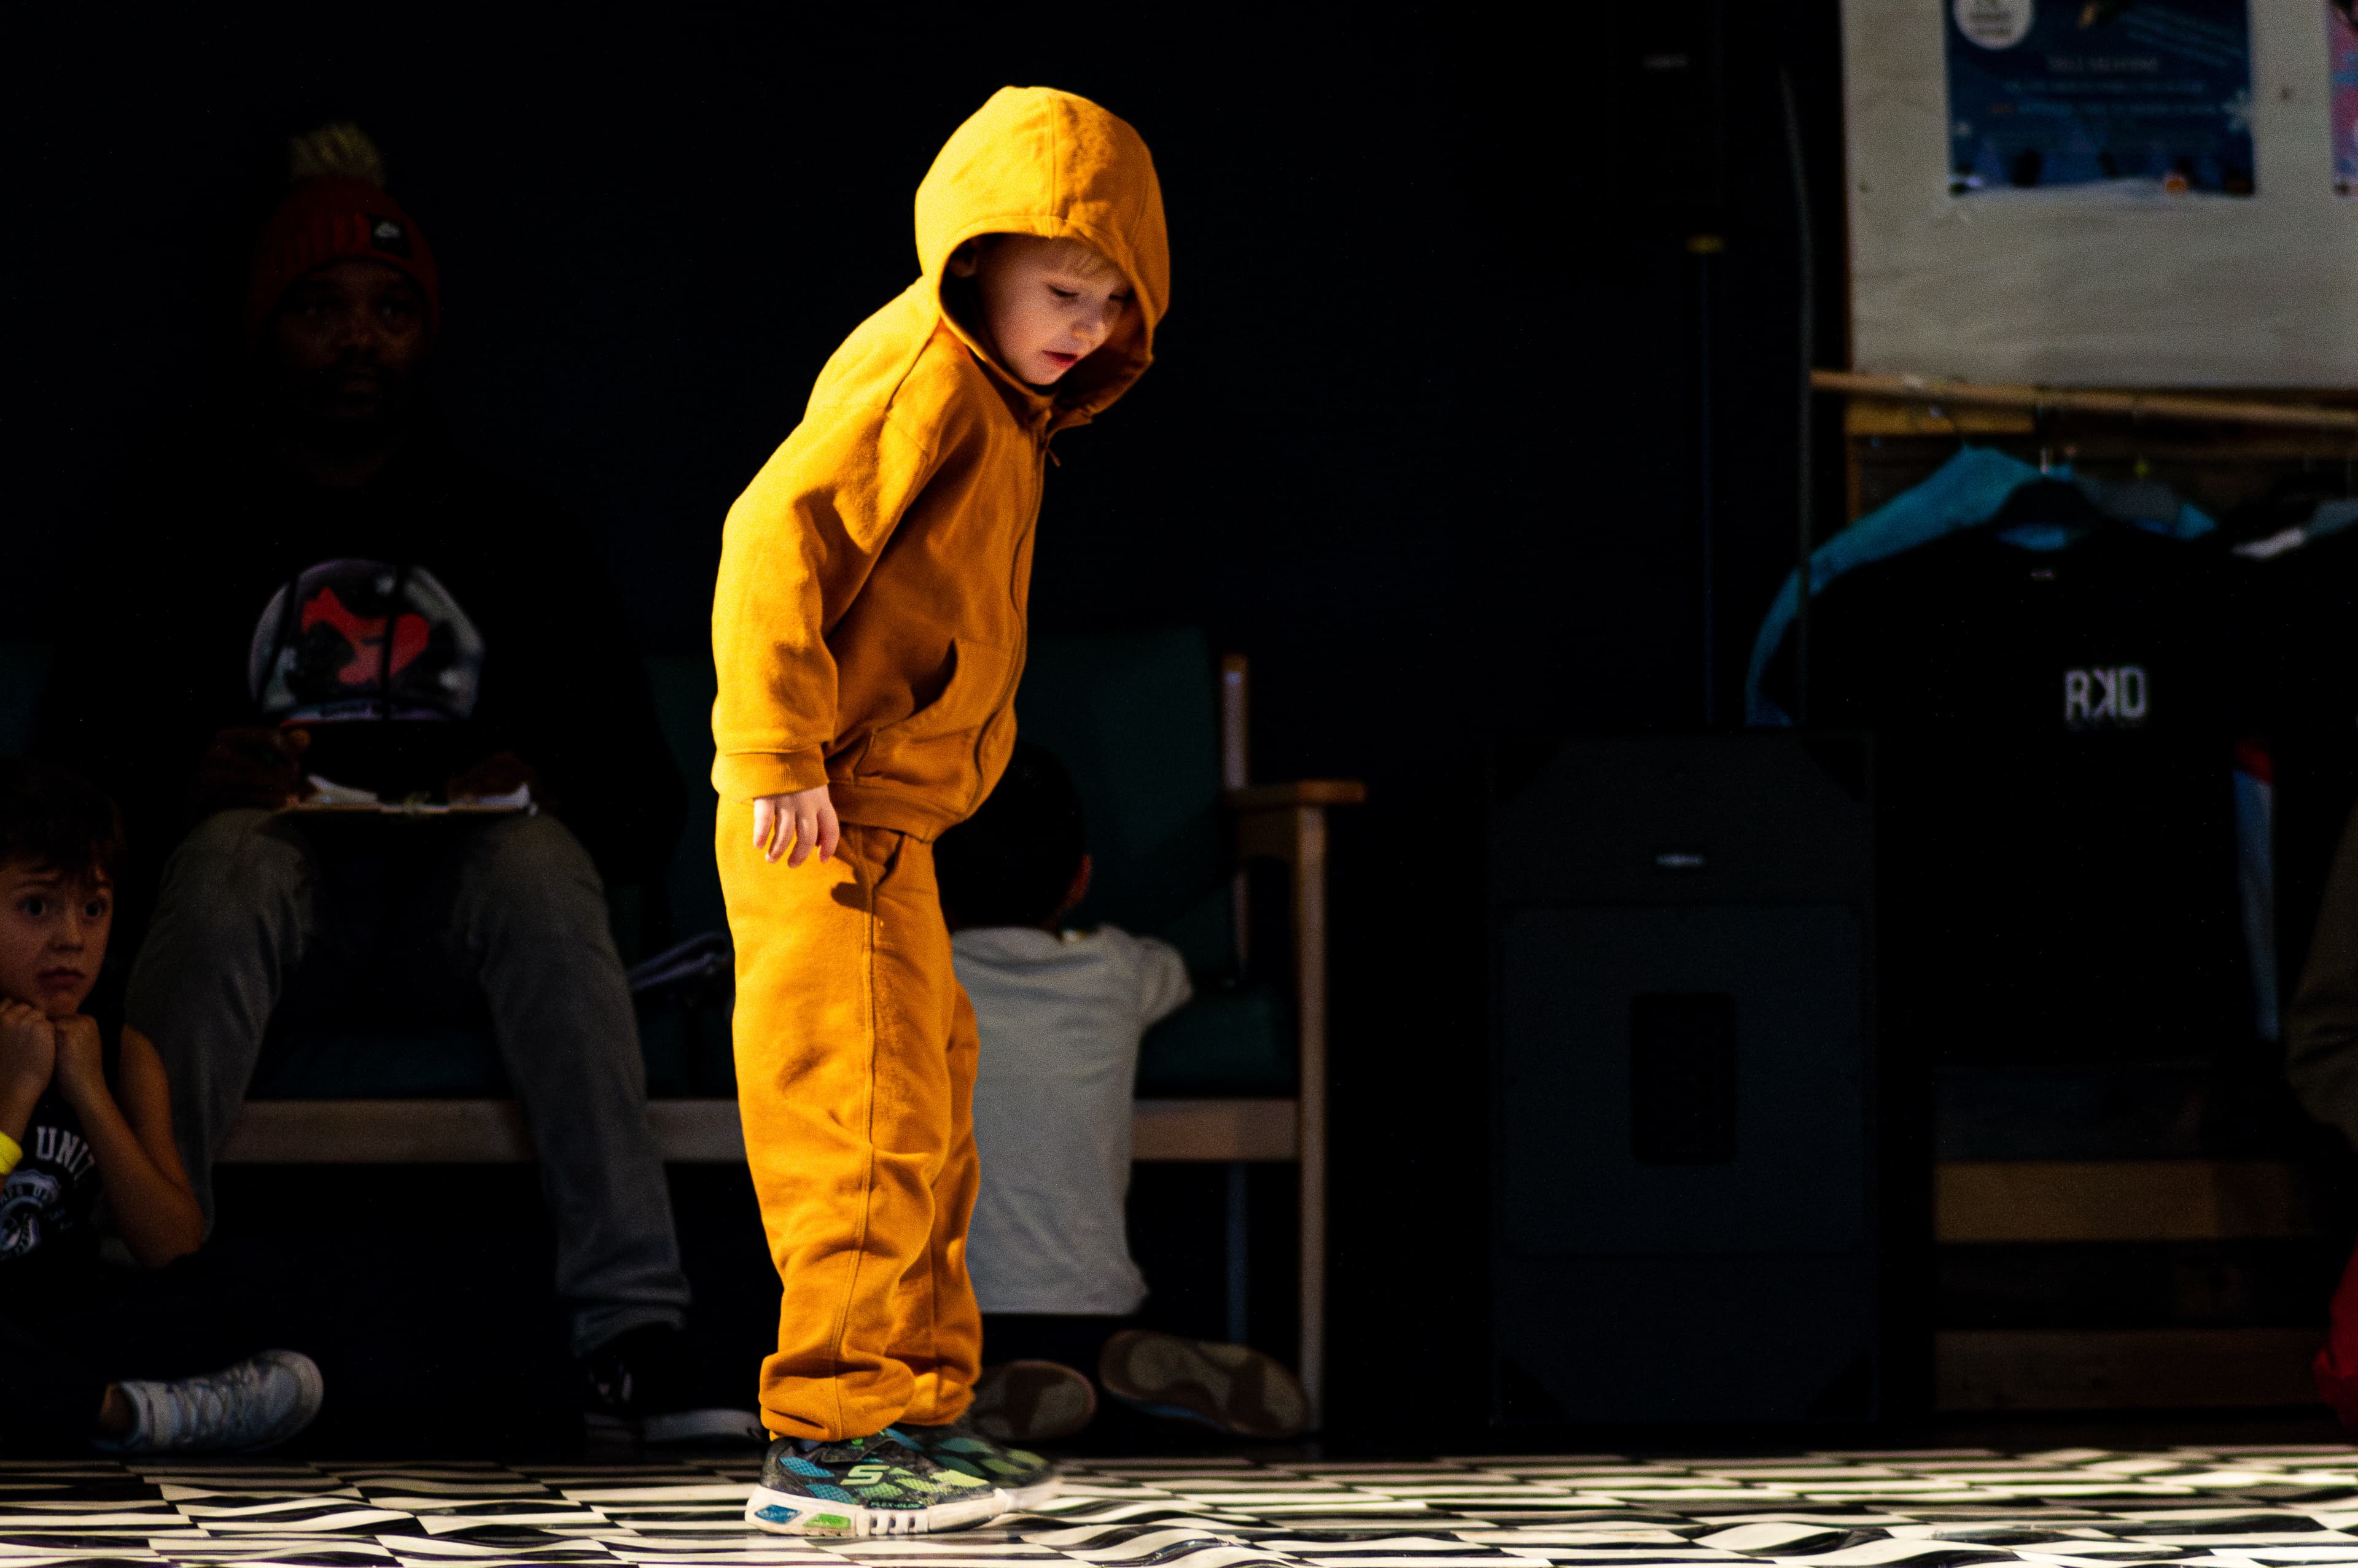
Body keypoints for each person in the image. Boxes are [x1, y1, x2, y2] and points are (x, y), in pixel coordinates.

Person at [37, 124, 742, 1445]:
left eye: (391, 308)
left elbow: (645, 800)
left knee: (539, 860)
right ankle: (143, 1311)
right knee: (237, 849)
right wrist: (183, 770)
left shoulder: (516, 533)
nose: (358, 338)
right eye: (320, 308)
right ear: (266, 326)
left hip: (457, 925)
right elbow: (59, 786)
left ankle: (633, 1333)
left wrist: (538, 781)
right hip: (265, 920)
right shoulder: (173, 524)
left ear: (429, 330)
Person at [710, 87, 1169, 1534]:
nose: (1084, 321)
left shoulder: (1004, 406)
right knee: (853, 1116)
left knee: (926, 1110)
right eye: (1060, 285)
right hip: (821, 813)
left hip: (891, 823)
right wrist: (776, 748)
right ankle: (826, 1435)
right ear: (975, 260)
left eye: (1110, 296)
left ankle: (913, 1401)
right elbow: (772, 535)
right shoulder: (926, 375)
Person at [934, 742, 1311, 1445]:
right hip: (1099, 1304)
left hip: (952, 1310)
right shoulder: (1113, 968)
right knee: (1085, 1354)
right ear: (1079, 880)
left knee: (921, 1368)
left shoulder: (918, 977)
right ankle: (1108, 1373)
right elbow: (1178, 974)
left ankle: (973, 1398)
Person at [0, 761, 324, 1453]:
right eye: (36, 907)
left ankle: (75, 1402)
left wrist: (89, 1091)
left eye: (94, 908)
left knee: (256, 1285)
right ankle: (130, 1415)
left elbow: (174, 1246)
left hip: (63, 1321)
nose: (71, 939)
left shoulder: (121, 1049)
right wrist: (18, 1094)